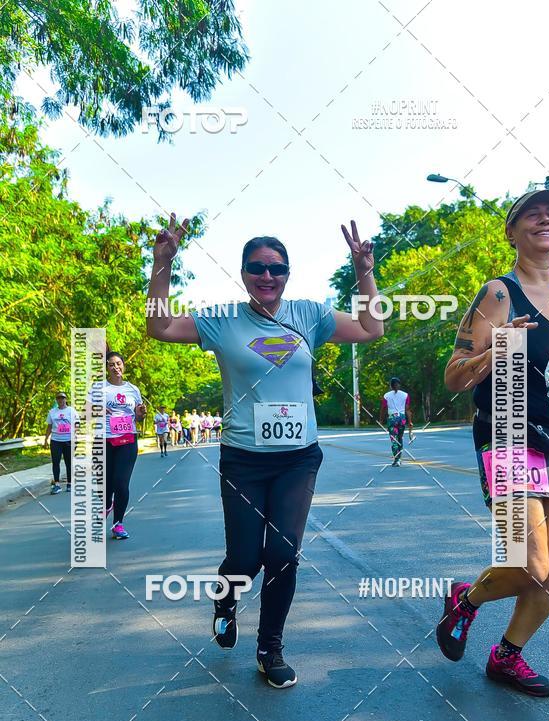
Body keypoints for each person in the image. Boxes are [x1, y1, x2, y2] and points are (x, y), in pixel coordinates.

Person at [147, 214, 383, 687]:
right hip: (243, 459)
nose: (267, 276)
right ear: (244, 273)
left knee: (282, 554)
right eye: (257, 267)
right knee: (243, 560)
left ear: (288, 273)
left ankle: (269, 648)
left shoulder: (310, 315)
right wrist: (161, 263)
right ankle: (225, 597)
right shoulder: (221, 320)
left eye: (276, 268)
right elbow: (160, 328)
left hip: (298, 458)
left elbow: (371, 329)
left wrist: (363, 270)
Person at [437, 188, 549, 697]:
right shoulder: (498, 294)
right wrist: (497, 348)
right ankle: (466, 599)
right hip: (507, 436)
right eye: (533, 213)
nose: (546, 218)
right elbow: (453, 377)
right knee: (530, 564)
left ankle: (507, 656)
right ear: (512, 231)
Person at [101, 351, 146, 539]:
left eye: (118, 363)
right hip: (105, 439)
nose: (115, 367)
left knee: (121, 482)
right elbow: (86, 411)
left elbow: (139, 416)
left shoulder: (133, 389)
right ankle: (106, 503)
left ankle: (118, 523)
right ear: (107, 368)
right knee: (106, 482)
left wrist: (141, 414)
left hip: (128, 439)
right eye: (111, 364)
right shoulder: (99, 388)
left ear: (123, 365)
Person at [44, 392, 78, 494]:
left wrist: (75, 436)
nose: (61, 400)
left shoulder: (71, 411)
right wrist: (46, 439)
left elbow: (77, 425)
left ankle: (70, 484)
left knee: (69, 463)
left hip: (69, 440)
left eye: (62, 398)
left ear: (65, 399)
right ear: (56, 400)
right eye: (58, 398)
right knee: (55, 462)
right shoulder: (52, 412)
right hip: (56, 440)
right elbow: (49, 426)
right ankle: (57, 485)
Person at [380, 376, 413, 465]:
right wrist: (410, 421)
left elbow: (383, 408)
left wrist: (381, 420)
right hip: (402, 419)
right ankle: (399, 458)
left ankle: (396, 459)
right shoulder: (405, 395)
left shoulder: (386, 396)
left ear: (391, 386)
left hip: (392, 419)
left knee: (394, 439)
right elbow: (407, 410)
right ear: (399, 385)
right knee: (400, 438)